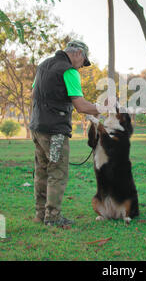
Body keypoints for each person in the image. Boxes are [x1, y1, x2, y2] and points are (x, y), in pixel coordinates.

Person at [29, 40, 108, 227]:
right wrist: (100, 108)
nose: (82, 66)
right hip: (55, 131)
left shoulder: (42, 65)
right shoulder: (69, 71)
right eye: (84, 61)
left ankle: (40, 215)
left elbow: (33, 95)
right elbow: (80, 106)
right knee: (57, 172)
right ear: (78, 53)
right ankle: (53, 217)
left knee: (41, 171)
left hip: (37, 128)